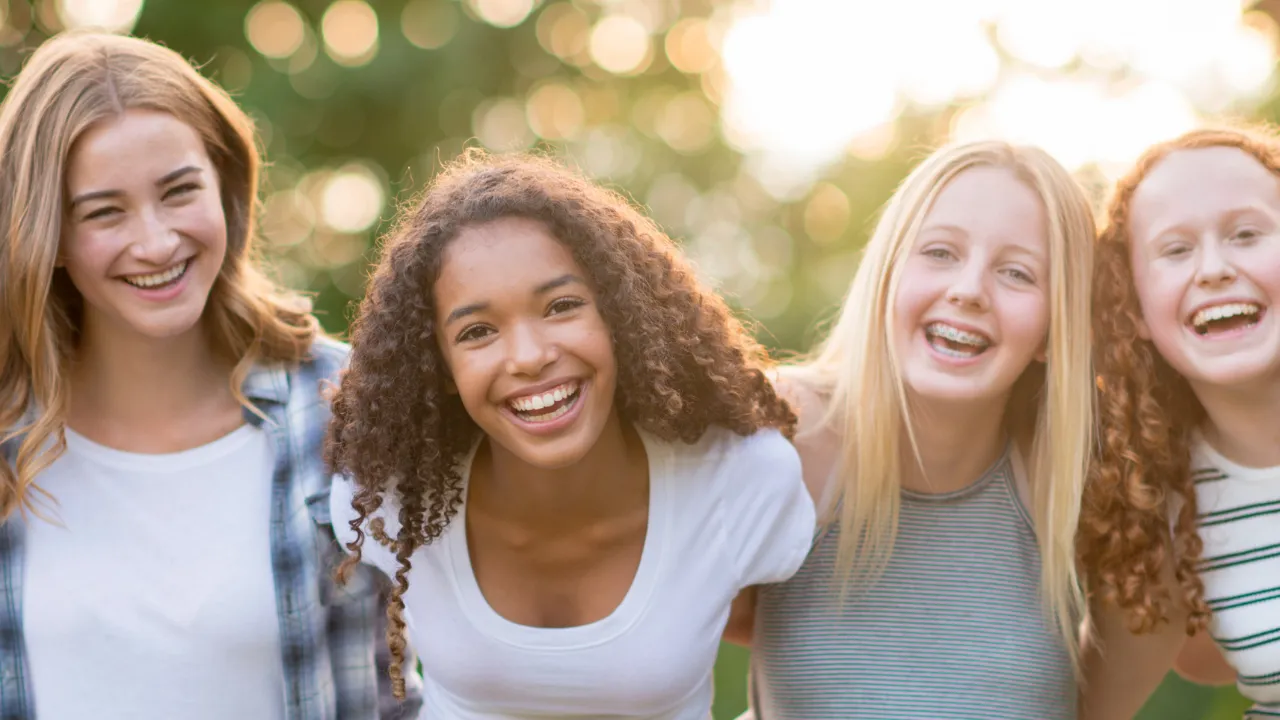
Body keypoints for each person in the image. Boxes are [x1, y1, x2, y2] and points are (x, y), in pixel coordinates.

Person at [0, 31, 420, 720]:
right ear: (44, 236)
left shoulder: (341, 409)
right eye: (105, 211)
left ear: (225, 186)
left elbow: (415, 684)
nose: (157, 241)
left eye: (179, 191)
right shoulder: (9, 430)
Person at [324, 149, 816, 718]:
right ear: (438, 365)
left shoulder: (739, 480)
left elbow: (810, 672)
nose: (530, 357)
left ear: (620, 316)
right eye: (478, 331)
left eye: (561, 306)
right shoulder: (389, 497)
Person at [726, 140, 1096, 719]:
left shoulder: (1078, 477)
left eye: (1017, 272)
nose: (969, 290)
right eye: (941, 252)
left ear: (1055, 329)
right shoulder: (775, 431)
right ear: (887, 276)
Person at [1077, 125, 1280, 719]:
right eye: (1175, 249)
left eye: (1246, 234)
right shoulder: (1157, 511)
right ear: (1133, 307)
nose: (1214, 268)